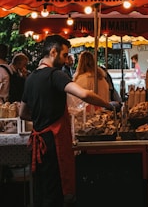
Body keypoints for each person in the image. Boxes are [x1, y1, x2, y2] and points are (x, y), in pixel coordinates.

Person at [19, 35, 115, 207]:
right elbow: (84, 94)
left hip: (38, 141)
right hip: (52, 144)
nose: (66, 60)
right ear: (53, 52)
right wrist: (108, 104)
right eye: (64, 55)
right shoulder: (55, 75)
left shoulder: (31, 78)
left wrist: (42, 116)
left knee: (41, 191)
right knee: (55, 194)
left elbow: (23, 113)